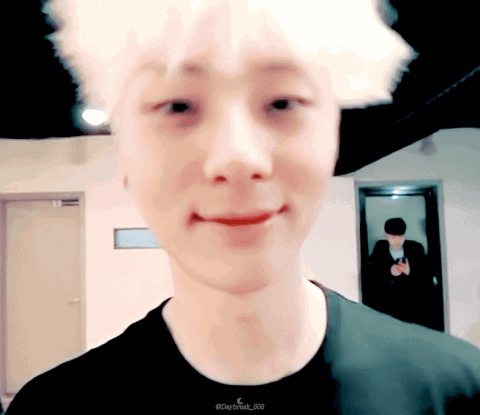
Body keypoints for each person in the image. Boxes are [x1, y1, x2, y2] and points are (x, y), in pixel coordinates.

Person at [6, 0, 480, 413]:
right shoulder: (54, 408)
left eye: (282, 102)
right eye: (177, 106)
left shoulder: (456, 391)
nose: (237, 158)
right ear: (124, 155)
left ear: (333, 138)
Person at [364, 218, 437, 328]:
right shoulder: (380, 248)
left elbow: (428, 279)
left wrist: (409, 272)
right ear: (386, 236)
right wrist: (390, 271)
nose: (397, 241)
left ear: (405, 236)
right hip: (387, 308)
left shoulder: (416, 249)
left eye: (400, 237)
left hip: (412, 308)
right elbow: (371, 279)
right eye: (393, 237)